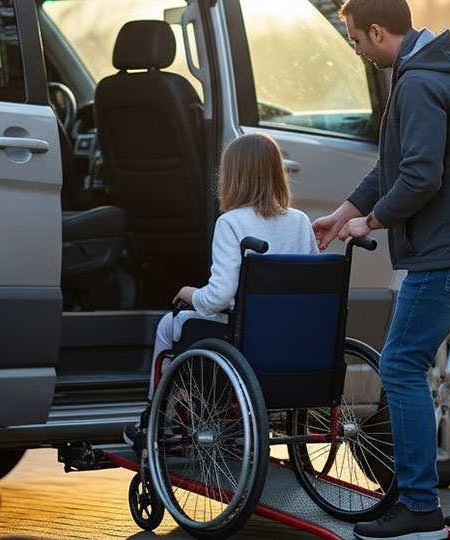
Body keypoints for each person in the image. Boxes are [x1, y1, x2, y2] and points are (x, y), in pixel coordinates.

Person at [312, 1, 450, 539]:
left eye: (355, 38)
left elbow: (419, 177)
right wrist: (343, 213)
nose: (355, 49)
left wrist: (372, 222)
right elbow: (395, 166)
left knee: (402, 365)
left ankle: (418, 508)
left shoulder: (417, 84)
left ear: (377, 31)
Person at [123, 131, 319, 446]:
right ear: (277, 173)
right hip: (291, 339)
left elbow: (219, 296)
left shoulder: (231, 222)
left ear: (232, 176)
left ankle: (156, 418)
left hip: (244, 340)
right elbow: (312, 285)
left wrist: (190, 294)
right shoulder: (300, 222)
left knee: (169, 325)